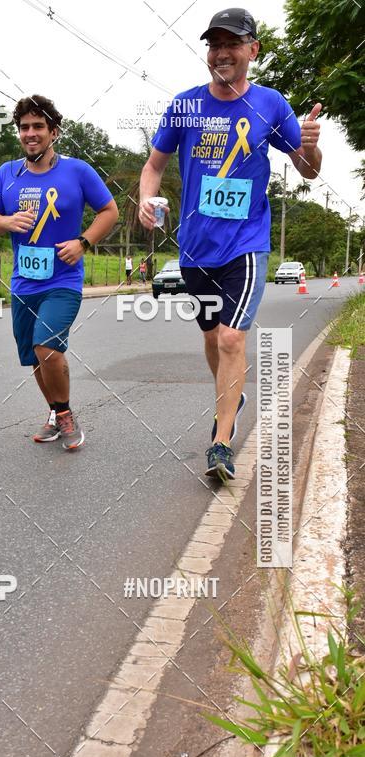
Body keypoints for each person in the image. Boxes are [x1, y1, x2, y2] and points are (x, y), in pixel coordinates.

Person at [139, 8, 321, 480]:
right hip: (196, 248)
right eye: (214, 44)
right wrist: (146, 199)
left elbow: (308, 168)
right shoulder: (185, 106)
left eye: (232, 44)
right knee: (210, 337)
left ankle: (221, 442)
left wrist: (313, 145)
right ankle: (231, 394)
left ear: (252, 50)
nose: (221, 52)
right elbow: (154, 165)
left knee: (231, 336)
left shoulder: (272, 104)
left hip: (247, 242)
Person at [0, 94, 118, 450]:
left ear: (53, 132)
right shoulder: (6, 174)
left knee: (47, 347)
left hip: (63, 281)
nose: (30, 133)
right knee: (35, 357)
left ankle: (65, 414)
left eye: (38, 126)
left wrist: (84, 243)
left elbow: (109, 211)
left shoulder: (77, 171)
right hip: (24, 283)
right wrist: (8, 221)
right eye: (24, 127)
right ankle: (55, 413)